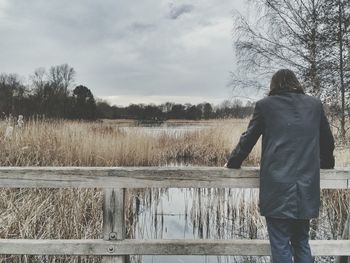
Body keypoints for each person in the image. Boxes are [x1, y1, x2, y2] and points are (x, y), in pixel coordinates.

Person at [224, 69, 335, 263]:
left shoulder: (265, 106)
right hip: (306, 187)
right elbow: (327, 141)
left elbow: (248, 139)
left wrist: (233, 162)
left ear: (273, 86)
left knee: (280, 243)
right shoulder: (314, 105)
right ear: (296, 83)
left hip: (277, 187)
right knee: (301, 241)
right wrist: (326, 164)